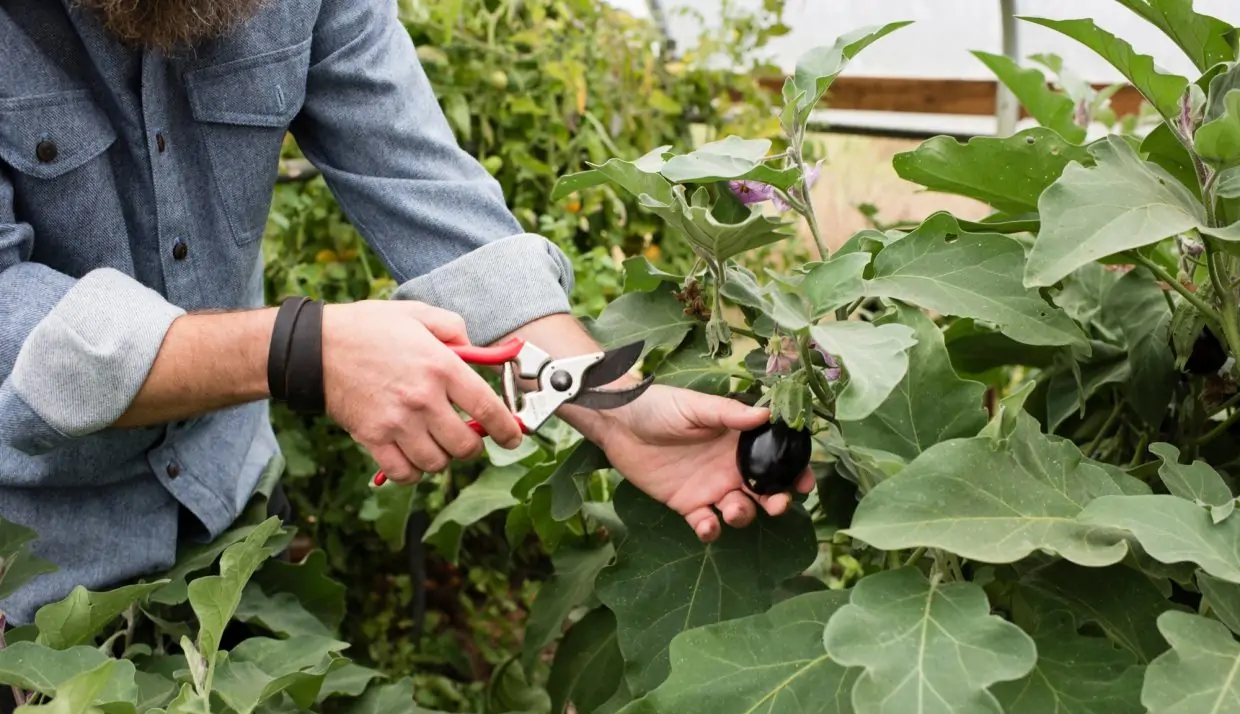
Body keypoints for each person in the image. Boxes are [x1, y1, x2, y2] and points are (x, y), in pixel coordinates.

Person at [0, 0, 815, 628]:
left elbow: (429, 194)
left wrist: (612, 403)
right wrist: (301, 349)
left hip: (228, 517)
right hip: (25, 569)